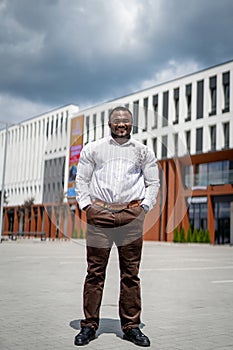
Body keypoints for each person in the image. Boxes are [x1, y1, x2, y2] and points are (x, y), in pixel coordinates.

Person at [75, 106, 160, 347]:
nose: (121, 125)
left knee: (130, 275)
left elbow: (153, 182)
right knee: (94, 273)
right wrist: (86, 207)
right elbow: (81, 179)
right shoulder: (93, 149)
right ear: (109, 124)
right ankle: (89, 326)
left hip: (131, 217)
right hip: (99, 215)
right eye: (117, 121)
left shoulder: (143, 151)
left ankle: (132, 327)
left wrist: (144, 208)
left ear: (131, 124)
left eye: (126, 121)